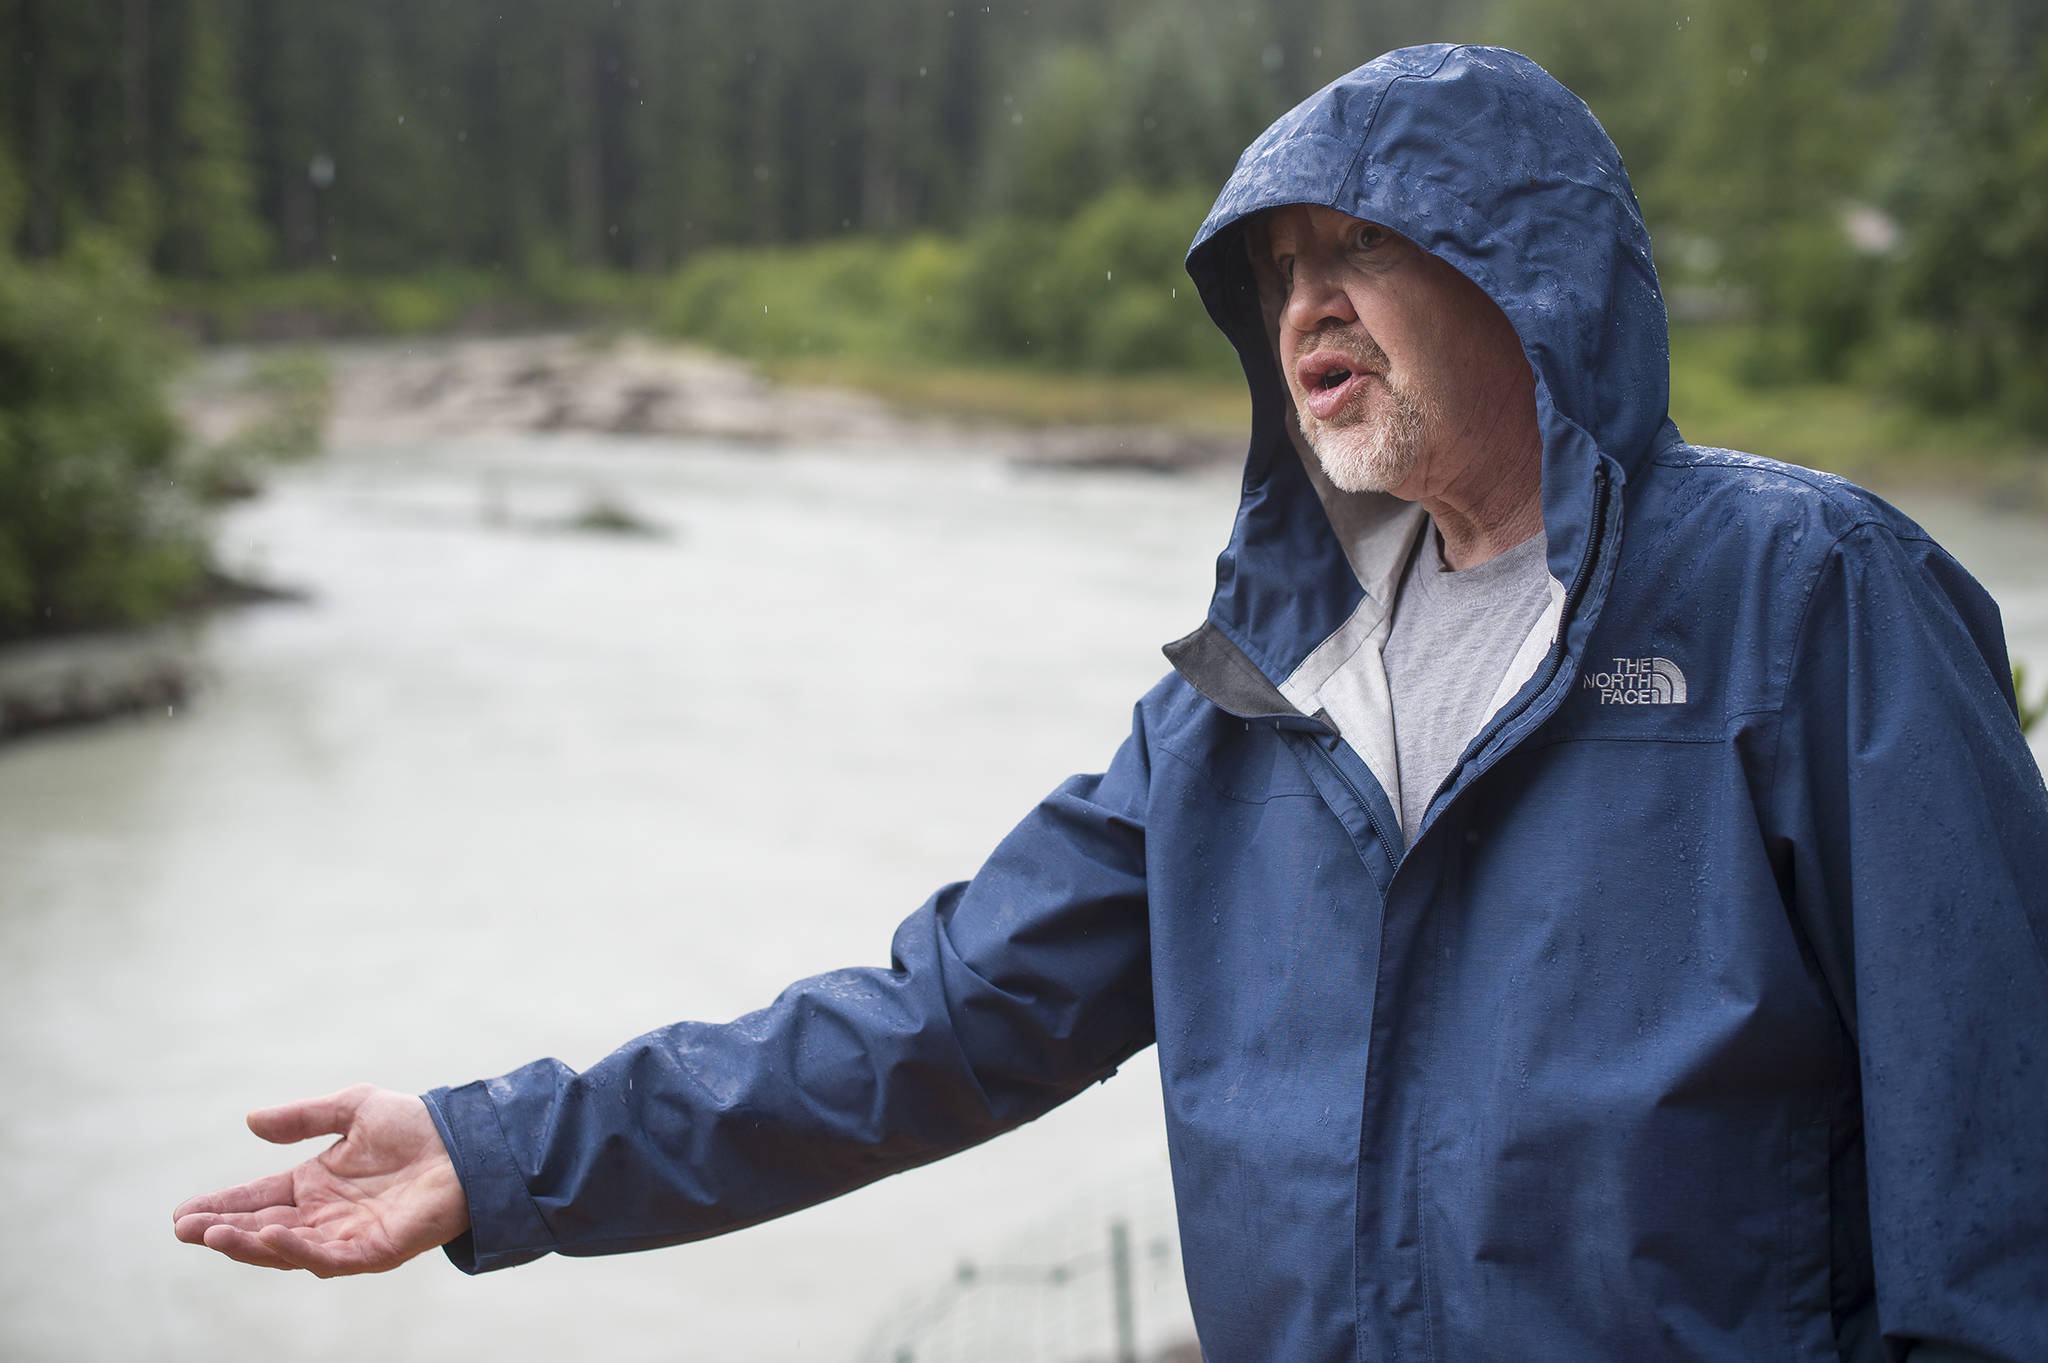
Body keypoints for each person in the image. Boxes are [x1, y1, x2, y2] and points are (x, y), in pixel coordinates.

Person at [174, 44, 2048, 1362]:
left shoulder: (1813, 596)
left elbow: (1997, 1152)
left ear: (1527, 273)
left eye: (1362, 247)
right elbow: (935, 1024)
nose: (1306, 307)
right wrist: (502, 1153)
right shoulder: (1249, 700)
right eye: (1279, 275)